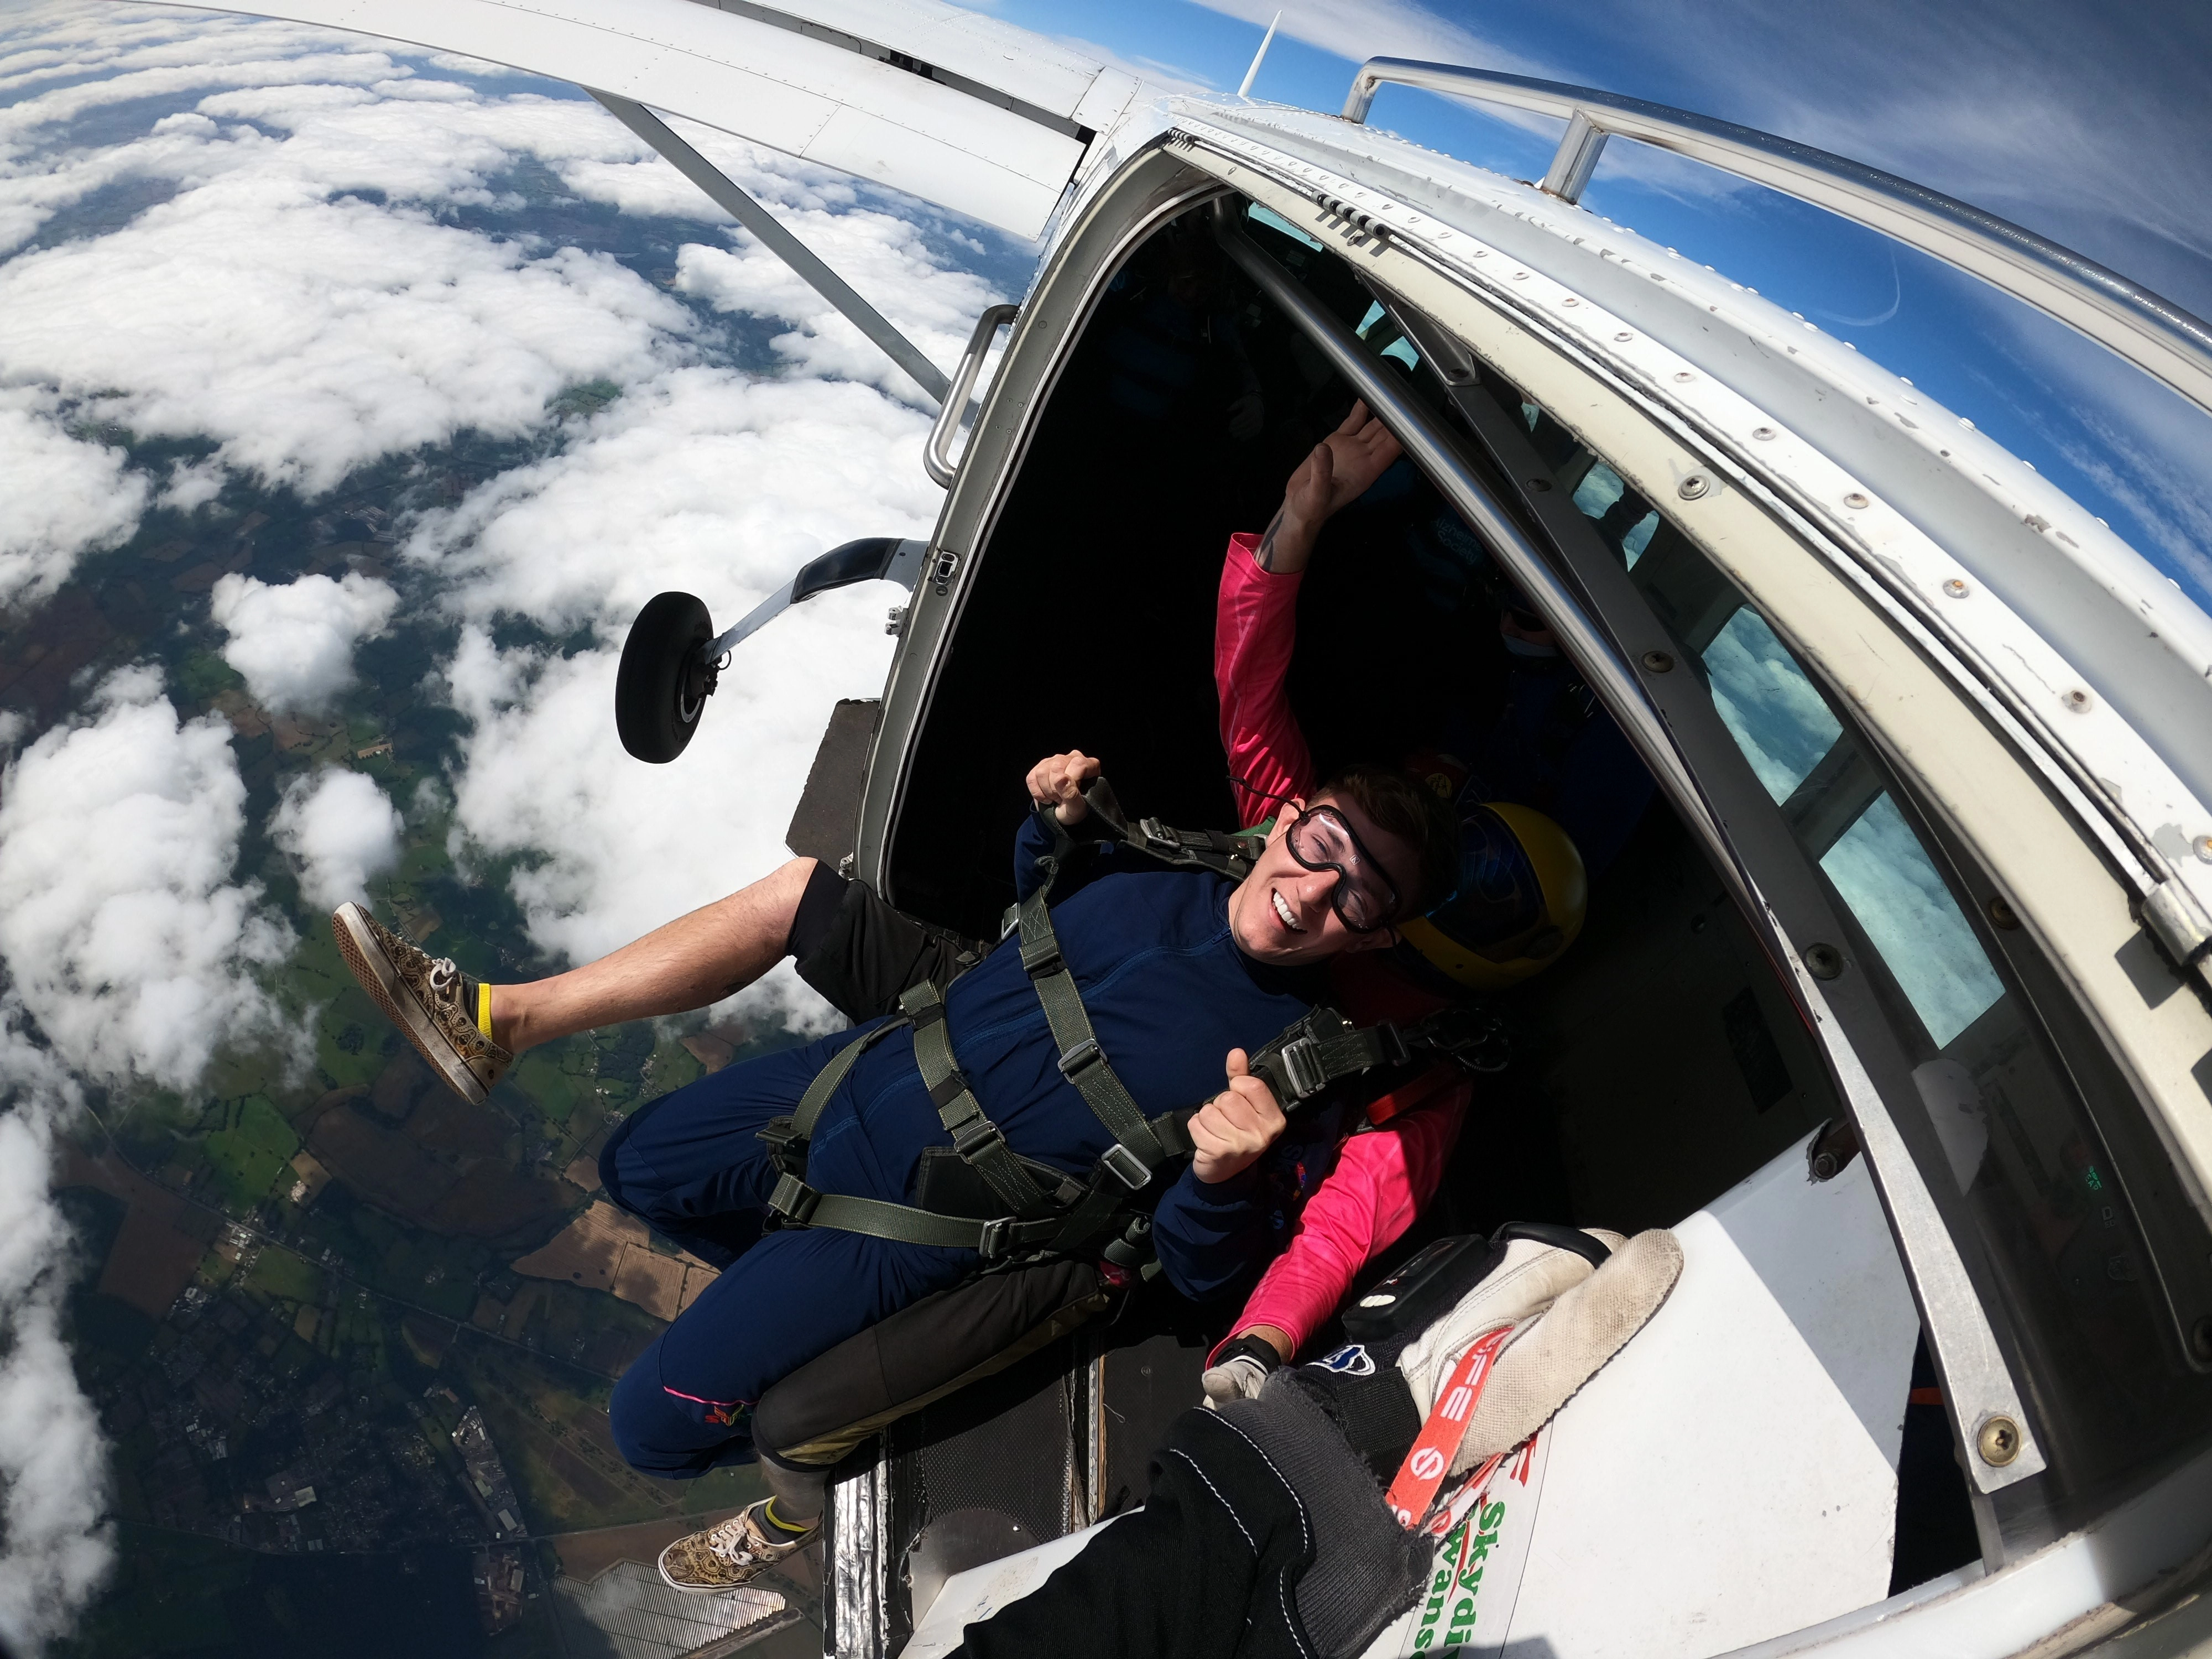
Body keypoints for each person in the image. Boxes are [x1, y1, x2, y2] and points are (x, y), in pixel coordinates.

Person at [330, 741, 1458, 1593]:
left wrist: (1220, 1181)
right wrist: (1047, 824)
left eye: (1356, 896)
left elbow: (1201, 1274)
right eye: (1320, 848)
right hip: (887, 1063)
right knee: (635, 1166)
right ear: (1287, 823)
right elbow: (1042, 920)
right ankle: (501, 1023)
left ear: (1371, 937)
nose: (1313, 892)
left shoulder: (1291, 1071)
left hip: (935, 1220)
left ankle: (791, 1496)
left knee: (649, 1427)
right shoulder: (1172, 865)